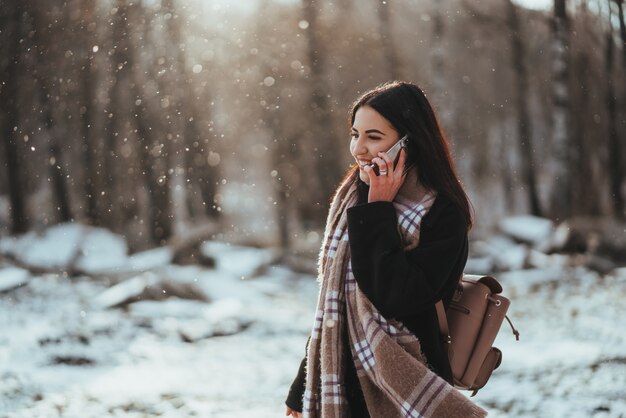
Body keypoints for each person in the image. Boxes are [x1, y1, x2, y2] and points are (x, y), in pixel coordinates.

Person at [285, 81, 486, 418]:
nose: (358, 149)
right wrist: (300, 388)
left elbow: (395, 295)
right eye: (355, 134)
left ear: (409, 142)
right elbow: (335, 306)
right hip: (344, 382)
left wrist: (378, 210)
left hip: (407, 382)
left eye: (373, 137)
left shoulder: (442, 213)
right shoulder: (353, 197)